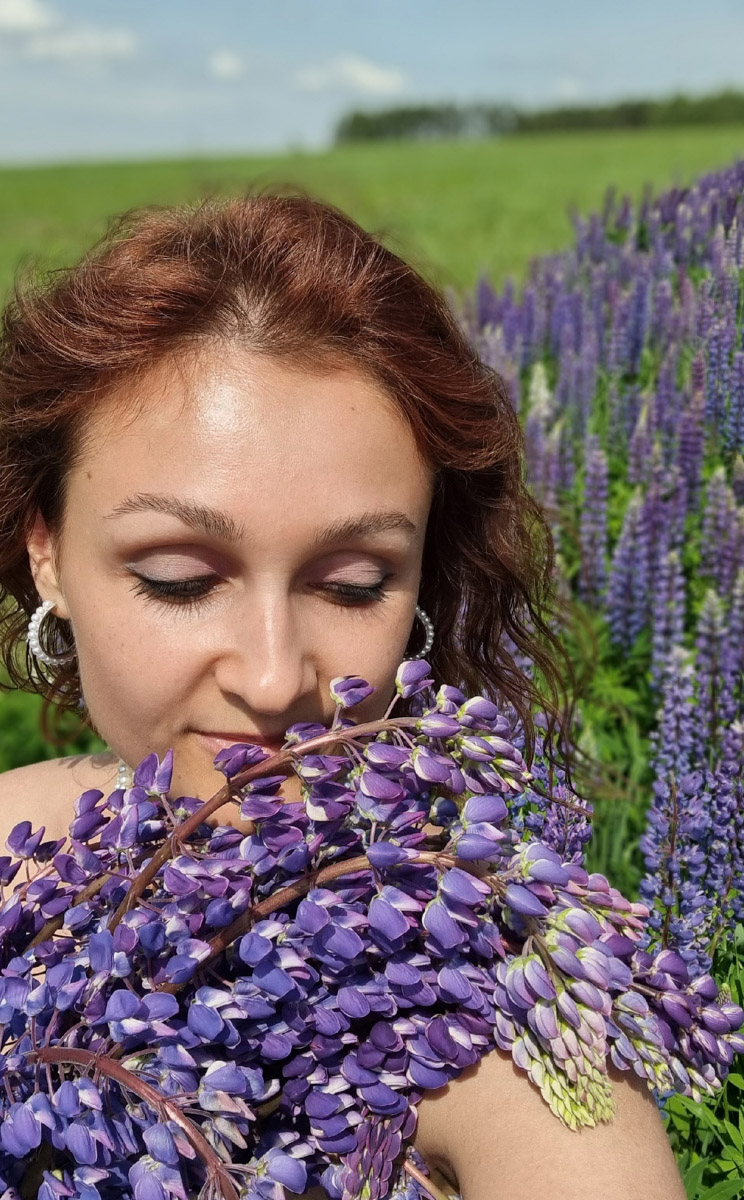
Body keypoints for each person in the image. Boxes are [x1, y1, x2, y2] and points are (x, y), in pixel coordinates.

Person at [0, 193, 687, 1198]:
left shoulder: (474, 1010)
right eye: (180, 578)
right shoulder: (18, 828)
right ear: (48, 554)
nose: (276, 678)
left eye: (353, 582)